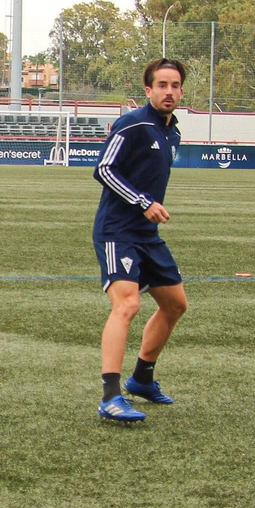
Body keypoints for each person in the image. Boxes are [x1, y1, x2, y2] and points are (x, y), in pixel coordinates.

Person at [92, 58, 188, 423]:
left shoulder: (171, 132)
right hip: (118, 230)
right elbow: (103, 168)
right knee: (127, 305)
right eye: (161, 85)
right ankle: (110, 396)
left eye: (175, 85)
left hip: (148, 235)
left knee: (176, 305)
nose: (169, 92)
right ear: (148, 90)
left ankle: (142, 378)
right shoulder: (133, 124)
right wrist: (142, 201)